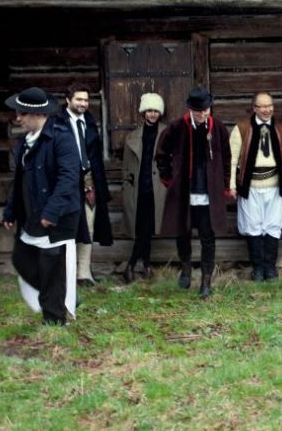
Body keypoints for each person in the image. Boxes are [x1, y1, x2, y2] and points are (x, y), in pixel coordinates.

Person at [2, 87, 80, 326]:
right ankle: (59, 295)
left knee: (51, 267)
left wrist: (52, 211)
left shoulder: (61, 138)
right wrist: (10, 211)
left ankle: (54, 320)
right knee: (21, 259)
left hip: (56, 217)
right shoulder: (24, 142)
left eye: (22, 113)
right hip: (31, 216)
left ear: (37, 114)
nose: (18, 118)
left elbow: (69, 178)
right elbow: (19, 182)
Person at [156, 87, 231, 298]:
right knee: (183, 233)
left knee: (208, 237)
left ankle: (206, 281)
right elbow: (161, 154)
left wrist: (225, 185)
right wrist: (169, 179)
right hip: (184, 192)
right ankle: (186, 268)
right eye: (199, 111)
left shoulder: (218, 129)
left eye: (206, 110)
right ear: (191, 109)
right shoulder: (177, 127)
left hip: (209, 193)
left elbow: (226, 159)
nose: (203, 114)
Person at [228, 92, 282, 282]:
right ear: (254, 108)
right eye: (262, 106)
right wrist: (231, 185)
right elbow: (232, 160)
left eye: (269, 106)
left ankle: (270, 267)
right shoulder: (241, 128)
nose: (267, 110)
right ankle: (257, 268)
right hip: (250, 187)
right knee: (253, 226)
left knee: (273, 226)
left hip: (274, 187)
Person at [57, 83, 113, 286]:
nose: (83, 103)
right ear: (68, 100)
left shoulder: (89, 122)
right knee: (68, 228)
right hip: (67, 183)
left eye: (86, 100)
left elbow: (95, 156)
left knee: (88, 227)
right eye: (79, 99)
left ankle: (83, 273)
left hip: (89, 182)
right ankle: (66, 273)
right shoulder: (57, 124)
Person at [121, 92, 168, 283]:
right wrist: (127, 185)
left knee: (147, 228)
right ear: (143, 112)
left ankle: (133, 265)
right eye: (149, 110)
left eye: (156, 110)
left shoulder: (167, 133)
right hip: (138, 189)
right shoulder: (132, 137)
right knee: (141, 229)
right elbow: (126, 167)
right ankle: (145, 265)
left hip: (157, 189)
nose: (152, 114)